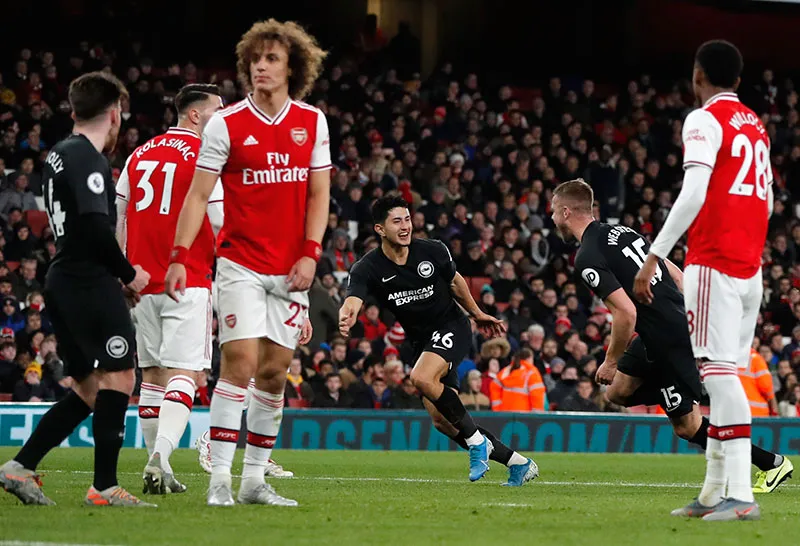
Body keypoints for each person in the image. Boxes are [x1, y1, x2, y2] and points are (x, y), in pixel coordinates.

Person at [165, 19, 330, 507]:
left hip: (290, 269)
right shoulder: (226, 123)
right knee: (239, 363)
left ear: (291, 67)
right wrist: (179, 256)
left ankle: (254, 480)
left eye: (272, 58)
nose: (261, 65)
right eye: (255, 58)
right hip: (239, 263)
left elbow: (318, 194)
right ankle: (219, 480)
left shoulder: (311, 122)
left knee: (276, 371)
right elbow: (197, 197)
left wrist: (311, 253)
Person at [634, 40, 775, 521]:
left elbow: (694, 190)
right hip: (750, 267)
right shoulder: (756, 126)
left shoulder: (703, 119)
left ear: (698, 76)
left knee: (717, 377)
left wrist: (654, 256)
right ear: (738, 79)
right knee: (724, 377)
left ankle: (741, 496)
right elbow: (769, 202)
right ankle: (714, 492)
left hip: (715, 261)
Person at [0, 72, 153, 507]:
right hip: (86, 278)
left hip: (66, 277)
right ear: (115, 114)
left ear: (73, 110)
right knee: (121, 375)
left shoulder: (56, 155)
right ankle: (104, 487)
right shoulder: (87, 157)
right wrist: (127, 274)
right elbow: (93, 225)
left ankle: (19, 467)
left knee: (89, 387)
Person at [339, 195, 539, 486]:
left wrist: (477, 313)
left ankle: (476, 442)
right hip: (422, 342)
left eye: (408, 219)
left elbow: (456, 282)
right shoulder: (367, 268)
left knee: (420, 377)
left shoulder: (432, 250)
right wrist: (348, 314)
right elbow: (353, 299)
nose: (406, 226)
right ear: (380, 229)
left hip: (451, 326)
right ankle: (517, 463)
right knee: (442, 420)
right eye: (397, 221)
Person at [115, 83, 224, 494]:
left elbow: (120, 218)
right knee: (187, 373)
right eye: (217, 110)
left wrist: (124, 273)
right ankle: (161, 457)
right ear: (195, 115)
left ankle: (156, 464)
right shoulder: (205, 158)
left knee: (154, 377)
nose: (223, 118)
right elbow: (218, 222)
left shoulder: (139, 154)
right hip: (188, 278)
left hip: (141, 285)